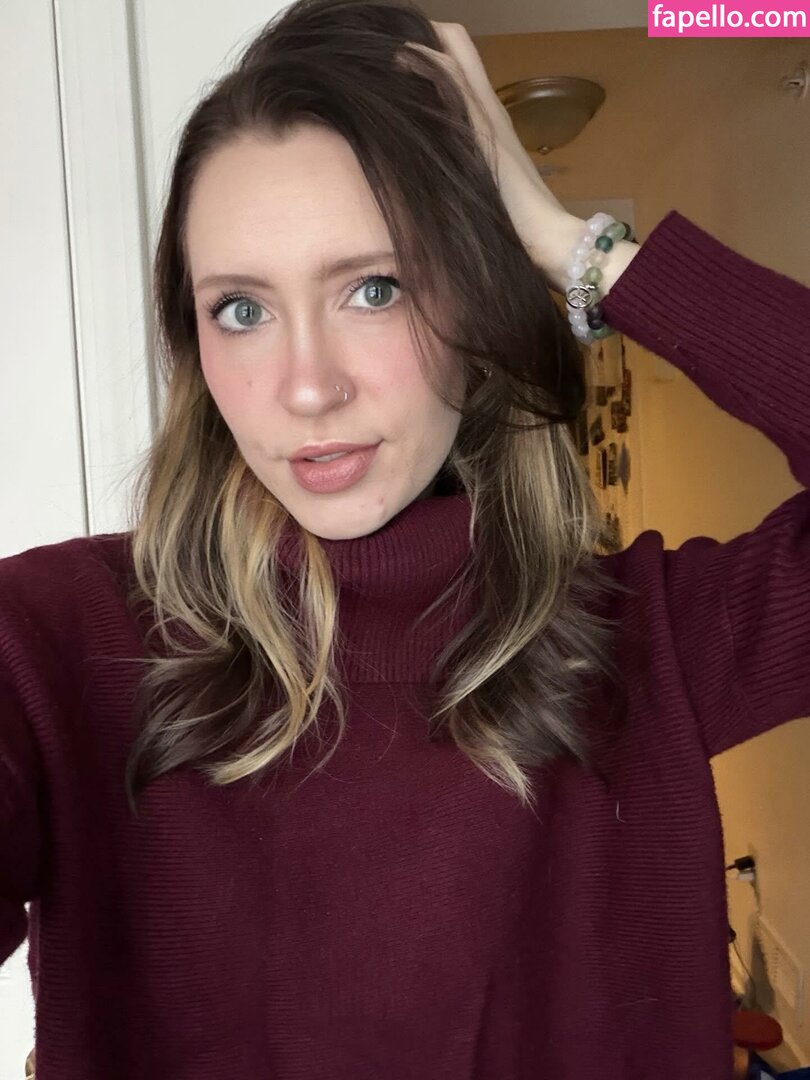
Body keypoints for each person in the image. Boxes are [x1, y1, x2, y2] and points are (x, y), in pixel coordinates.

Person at [1, 1, 808, 1077]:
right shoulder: (53, 646)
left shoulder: (649, 641)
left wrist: (570, 245)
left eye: (375, 288)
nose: (307, 387)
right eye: (241, 309)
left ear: (478, 302)